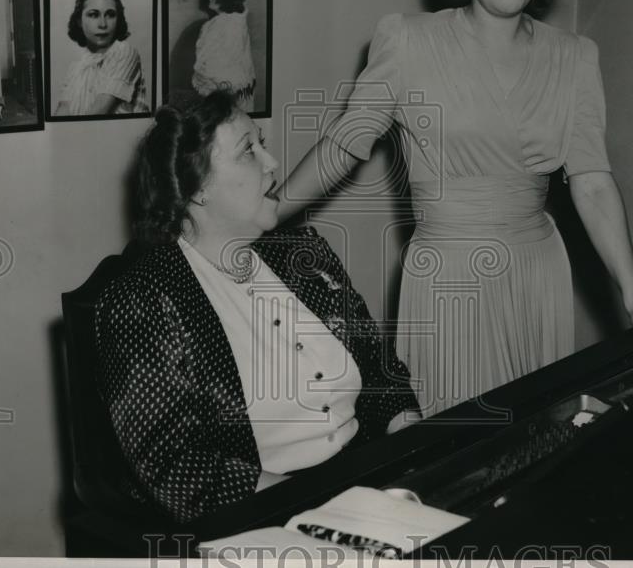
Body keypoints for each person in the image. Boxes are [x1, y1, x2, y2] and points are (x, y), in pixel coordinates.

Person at [278, 0, 633, 418]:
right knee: (453, 445)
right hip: (448, 277)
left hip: (538, 274)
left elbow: (593, 181)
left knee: (536, 443)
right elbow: (344, 144)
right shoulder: (408, 40)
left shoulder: (575, 56)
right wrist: (267, 211)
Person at [96, 92, 419, 522]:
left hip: (362, 485)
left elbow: (379, 370)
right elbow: (174, 463)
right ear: (198, 188)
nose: (272, 162)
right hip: (257, 512)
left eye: (262, 143)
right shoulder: (142, 300)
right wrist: (317, 509)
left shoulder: (301, 252)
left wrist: (415, 448)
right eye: (249, 150)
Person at [54, 0, 149, 116]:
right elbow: (61, 115)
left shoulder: (125, 52)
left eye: (110, 15)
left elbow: (98, 114)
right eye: (93, 15)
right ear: (79, 21)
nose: (103, 24)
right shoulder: (75, 68)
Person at [191, 0, 257, 112]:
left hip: (222, 96)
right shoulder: (237, 22)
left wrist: (200, 83)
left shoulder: (219, 26)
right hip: (241, 92)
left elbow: (207, 67)